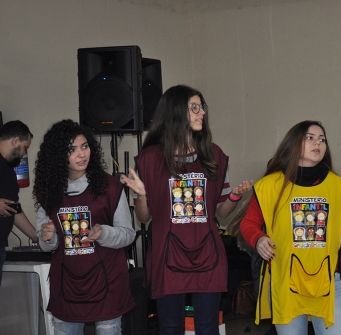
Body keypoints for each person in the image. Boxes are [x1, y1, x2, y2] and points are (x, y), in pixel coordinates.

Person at [121, 84, 253, 335]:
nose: (201, 112)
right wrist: (141, 194)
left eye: (202, 107)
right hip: (167, 254)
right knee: (170, 328)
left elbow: (222, 214)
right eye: (194, 107)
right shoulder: (149, 159)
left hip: (208, 254)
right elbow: (144, 218)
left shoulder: (214, 156)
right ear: (175, 112)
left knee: (208, 328)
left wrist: (235, 196)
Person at [239, 120, 341, 335]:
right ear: (293, 143)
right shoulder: (269, 186)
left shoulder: (340, 187)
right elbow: (248, 223)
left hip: (329, 282)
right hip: (286, 281)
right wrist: (259, 238)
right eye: (310, 137)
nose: (317, 143)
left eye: (322, 139)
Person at [35, 119, 136, 335]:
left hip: (108, 281)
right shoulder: (49, 191)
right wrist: (48, 237)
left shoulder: (110, 187)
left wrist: (103, 233)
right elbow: (46, 246)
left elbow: (128, 235)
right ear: (57, 155)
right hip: (67, 284)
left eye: (85, 146)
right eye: (72, 150)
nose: (82, 155)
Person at [0, 120, 38, 287]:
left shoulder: (7, 171)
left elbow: (13, 208)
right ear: (15, 141)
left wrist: (36, 237)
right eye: (25, 147)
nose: (24, 153)